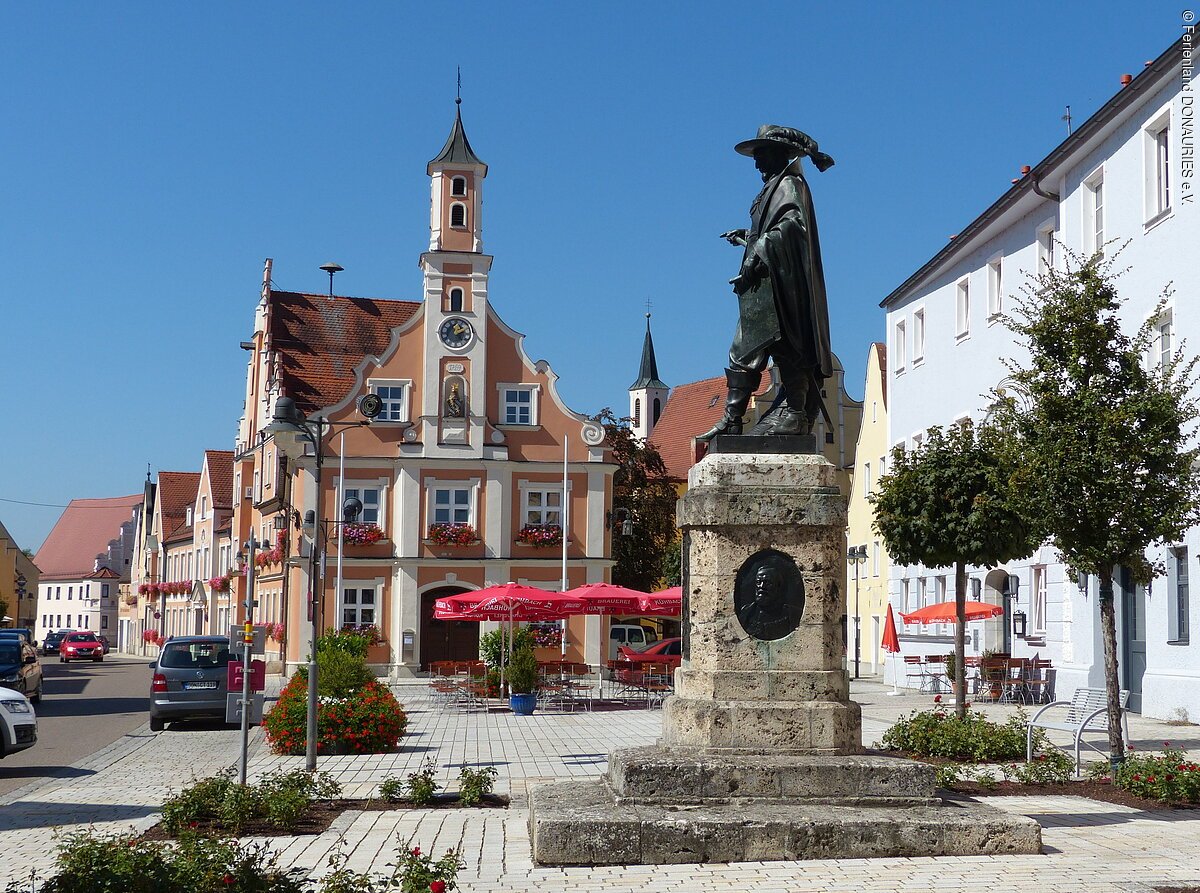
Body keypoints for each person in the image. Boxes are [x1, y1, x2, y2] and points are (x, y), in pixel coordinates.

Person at [699, 125, 835, 440]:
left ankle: (795, 412)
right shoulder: (775, 186)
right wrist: (746, 238)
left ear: (779, 155)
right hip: (766, 286)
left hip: (783, 287)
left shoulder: (789, 184)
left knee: (787, 347)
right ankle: (733, 420)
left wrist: (756, 252)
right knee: (744, 349)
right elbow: (774, 230)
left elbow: (793, 228)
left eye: (762, 156)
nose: (757, 164)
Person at [734, 563, 803, 641]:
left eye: (767, 582)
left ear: (778, 586)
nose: (762, 586)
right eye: (758, 582)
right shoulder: (746, 613)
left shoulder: (792, 614)